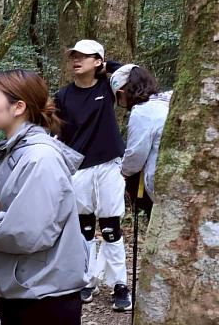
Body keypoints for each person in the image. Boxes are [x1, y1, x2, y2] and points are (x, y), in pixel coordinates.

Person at [0, 69, 89, 325]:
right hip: (26, 288)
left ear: (18, 107)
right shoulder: (17, 151)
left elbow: (29, 232)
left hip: (46, 295)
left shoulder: (39, 158)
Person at [54, 39, 131, 311]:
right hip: (78, 168)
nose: (76, 60)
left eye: (84, 56)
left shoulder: (107, 88)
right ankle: (87, 279)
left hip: (108, 164)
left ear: (97, 61)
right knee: (84, 228)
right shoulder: (63, 95)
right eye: (73, 56)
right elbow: (57, 130)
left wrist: (104, 65)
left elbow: (131, 74)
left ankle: (119, 284)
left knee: (110, 227)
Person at [110, 64, 172, 215]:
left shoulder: (143, 111)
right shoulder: (168, 99)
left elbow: (136, 154)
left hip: (163, 184)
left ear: (122, 92)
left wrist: (123, 173)